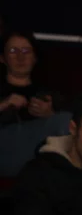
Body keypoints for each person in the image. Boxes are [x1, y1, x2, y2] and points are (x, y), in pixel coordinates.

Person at [0, 29, 70, 176]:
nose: (20, 57)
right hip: (5, 150)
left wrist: (50, 115)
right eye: (13, 51)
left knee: (66, 120)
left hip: (40, 156)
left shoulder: (49, 93)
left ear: (35, 57)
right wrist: (3, 105)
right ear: (2, 58)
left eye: (26, 51)